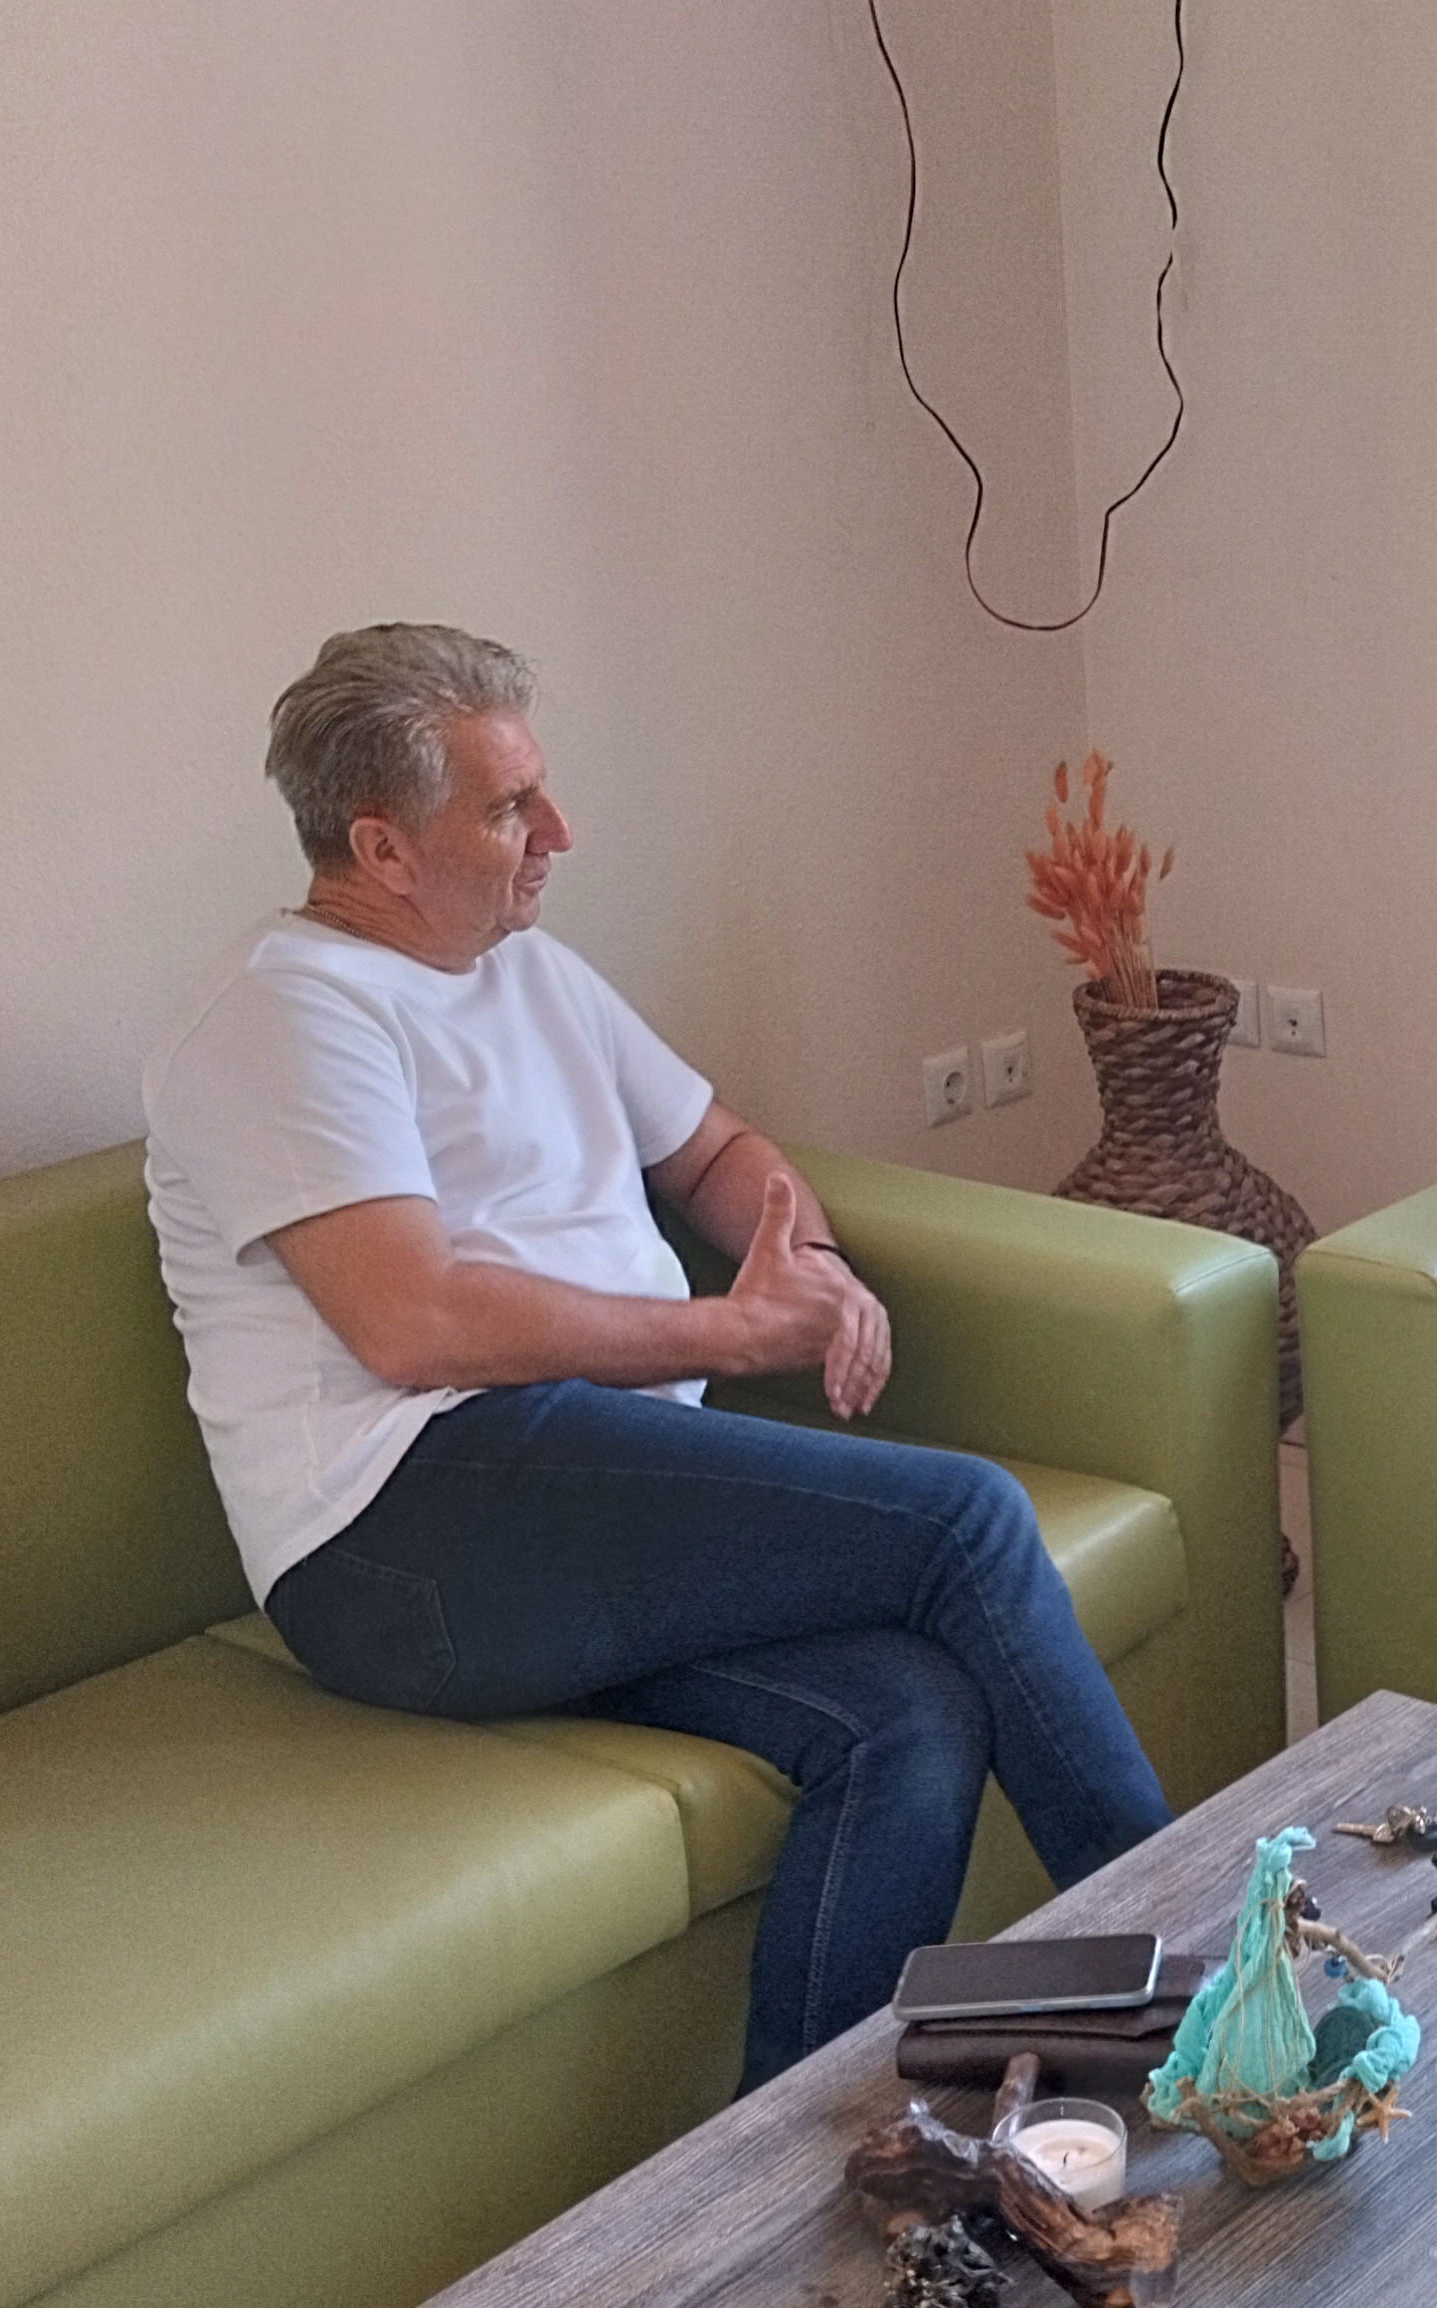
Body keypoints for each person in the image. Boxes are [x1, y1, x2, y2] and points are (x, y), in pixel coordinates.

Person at [142, 623, 1167, 2087]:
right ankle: (1203, 1996)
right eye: (510, 808)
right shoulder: (286, 1018)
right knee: (964, 1521)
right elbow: (412, 1322)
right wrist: (729, 1330)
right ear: (381, 847)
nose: (558, 832)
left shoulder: (531, 973)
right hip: (400, 1533)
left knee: (906, 1713)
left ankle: (798, 2162)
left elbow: (715, 1152)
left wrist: (810, 1264)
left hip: (569, 1496)